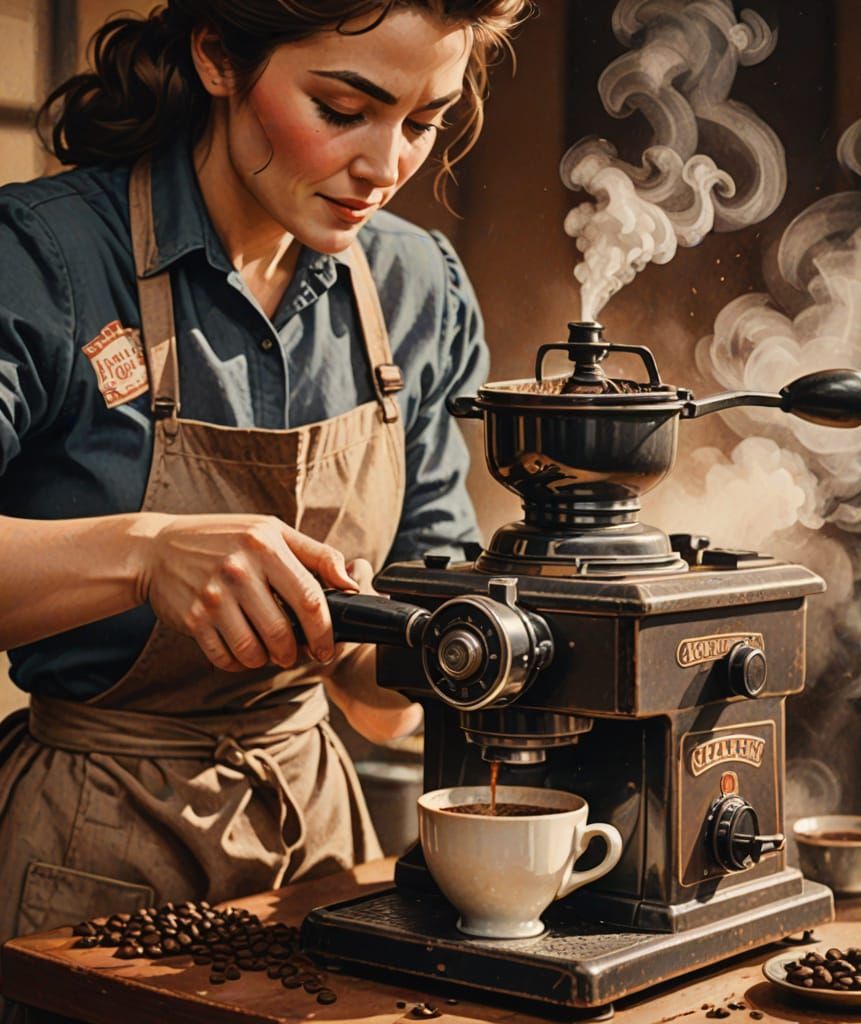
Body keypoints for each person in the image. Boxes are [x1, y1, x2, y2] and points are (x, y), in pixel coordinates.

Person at [0, 0, 530, 977]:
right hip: (86, 847)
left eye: (422, 122)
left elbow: (385, 706)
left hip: (319, 850)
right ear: (216, 57)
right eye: (342, 108)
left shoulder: (418, 287)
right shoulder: (44, 259)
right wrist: (146, 554)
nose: (386, 166)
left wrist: (403, 640)